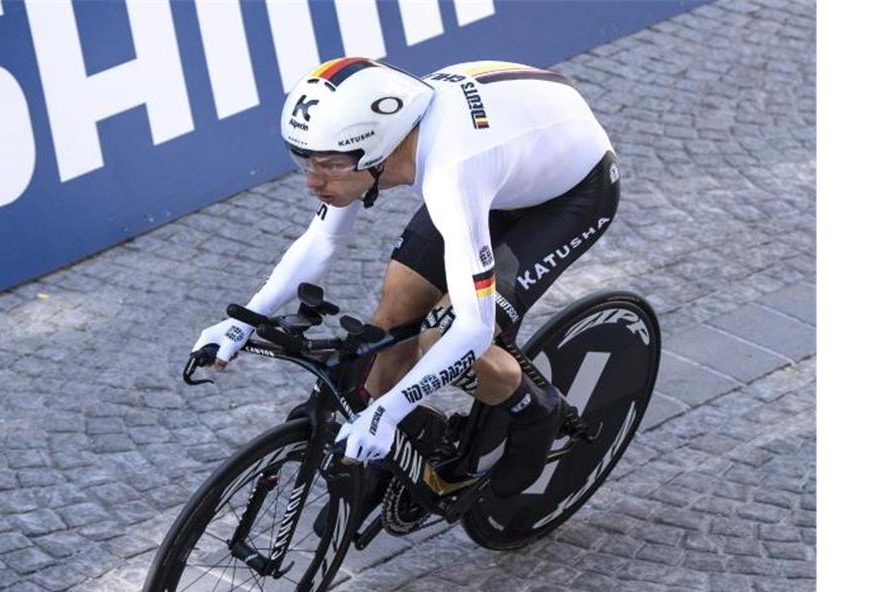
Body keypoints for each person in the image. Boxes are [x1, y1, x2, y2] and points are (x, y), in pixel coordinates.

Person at [192, 56, 620, 498]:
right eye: (305, 163)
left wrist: (391, 411)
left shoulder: (451, 172)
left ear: (376, 151)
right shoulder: (380, 144)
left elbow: (472, 328)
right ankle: (389, 461)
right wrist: (246, 319)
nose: (312, 182)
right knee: (393, 315)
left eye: (328, 165)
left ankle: (535, 412)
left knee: (442, 333)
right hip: (503, 164)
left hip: (569, 197)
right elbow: (321, 241)